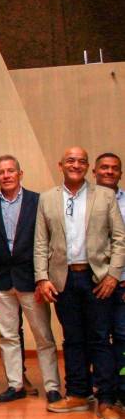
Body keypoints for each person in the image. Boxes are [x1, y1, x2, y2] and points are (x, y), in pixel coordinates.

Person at [35, 146, 125, 419]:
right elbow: (41, 242)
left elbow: (119, 240)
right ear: (60, 164)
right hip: (63, 279)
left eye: (82, 161)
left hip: (97, 278)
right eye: (71, 160)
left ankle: (107, 400)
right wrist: (42, 277)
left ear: (88, 167)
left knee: (99, 339)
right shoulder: (48, 198)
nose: (76, 164)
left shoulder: (105, 196)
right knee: (72, 339)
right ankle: (77, 393)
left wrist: (113, 275)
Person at [0, 155, 61, 405]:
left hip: (32, 279)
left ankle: (53, 387)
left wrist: (42, 277)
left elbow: (48, 240)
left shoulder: (38, 201)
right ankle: (16, 384)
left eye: (11, 171)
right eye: (1, 172)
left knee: (43, 336)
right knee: (8, 337)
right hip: (1, 281)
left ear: (20, 173)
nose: (6, 175)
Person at [94, 152, 125, 404]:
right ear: (94, 172)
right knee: (98, 338)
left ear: (120, 174)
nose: (109, 171)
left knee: (123, 337)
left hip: (122, 283)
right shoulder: (84, 201)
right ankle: (104, 388)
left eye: (114, 168)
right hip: (94, 285)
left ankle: (122, 388)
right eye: (104, 167)